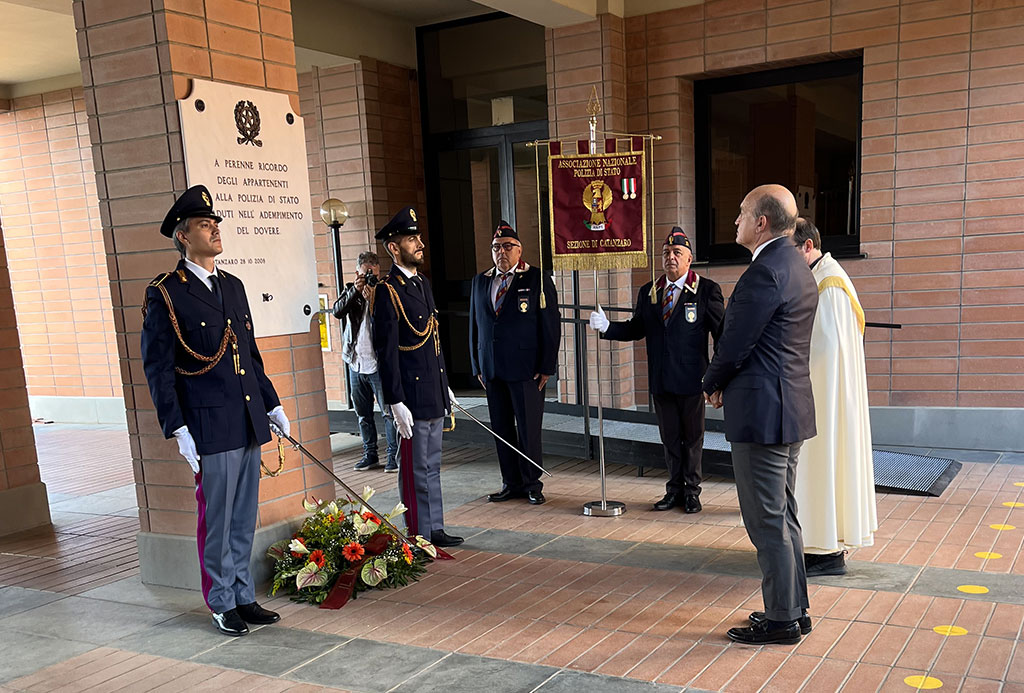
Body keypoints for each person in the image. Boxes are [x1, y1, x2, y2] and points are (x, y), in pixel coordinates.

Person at [141, 185, 289, 637]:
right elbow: (158, 367)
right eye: (206, 224)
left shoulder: (233, 285)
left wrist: (272, 402)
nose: (216, 229)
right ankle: (221, 601)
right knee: (218, 519)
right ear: (184, 236)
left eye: (216, 222)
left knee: (244, 517)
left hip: (245, 418)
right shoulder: (167, 293)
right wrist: (177, 427)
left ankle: (244, 595)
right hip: (207, 423)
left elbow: (250, 352)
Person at [702, 184, 818, 645]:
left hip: (765, 414)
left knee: (766, 519)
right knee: (783, 515)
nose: (736, 221)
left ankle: (782, 620)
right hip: (787, 410)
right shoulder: (796, 264)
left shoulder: (764, 272)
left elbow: (736, 343)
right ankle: (794, 609)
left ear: (762, 223)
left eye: (742, 213)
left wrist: (711, 383)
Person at [589, 227, 724, 513]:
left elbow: (721, 336)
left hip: (692, 380)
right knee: (670, 439)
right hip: (661, 379)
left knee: (693, 440)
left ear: (689, 259)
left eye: (677, 253)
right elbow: (638, 328)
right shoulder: (650, 291)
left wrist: (714, 379)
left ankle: (692, 492)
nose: (670, 258)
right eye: (666, 253)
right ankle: (674, 490)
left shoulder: (706, 290)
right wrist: (608, 327)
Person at [371, 207, 463, 548]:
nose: (419, 243)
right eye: (412, 239)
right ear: (394, 248)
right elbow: (387, 351)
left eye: (418, 237)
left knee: (433, 466)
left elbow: (432, 339)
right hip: (410, 396)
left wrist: (445, 384)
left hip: (433, 391)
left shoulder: (422, 284)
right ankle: (418, 531)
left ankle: (434, 526)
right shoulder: (387, 290)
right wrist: (395, 401)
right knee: (414, 469)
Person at [792, 217, 876, 576]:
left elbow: (824, 353)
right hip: (820, 395)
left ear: (807, 247)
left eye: (789, 250)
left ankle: (824, 551)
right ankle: (818, 545)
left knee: (822, 466)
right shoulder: (821, 277)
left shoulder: (828, 285)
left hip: (823, 400)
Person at [469, 221, 560, 506]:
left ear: (519, 250)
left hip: (526, 369)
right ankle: (511, 482)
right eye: (496, 247)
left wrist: (547, 366)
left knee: (529, 429)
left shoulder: (537, 279)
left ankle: (532, 483)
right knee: (502, 429)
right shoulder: (481, 280)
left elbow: (550, 326)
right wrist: (476, 364)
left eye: (508, 247)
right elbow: (475, 325)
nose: (501, 252)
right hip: (492, 368)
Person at [333, 251, 399, 472]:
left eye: (375, 275)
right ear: (357, 273)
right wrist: (356, 291)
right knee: (363, 415)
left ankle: (393, 456)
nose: (371, 278)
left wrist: (375, 297)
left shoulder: (385, 292)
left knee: (389, 413)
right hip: (355, 363)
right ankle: (370, 454)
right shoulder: (351, 292)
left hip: (378, 364)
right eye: (366, 274)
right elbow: (337, 311)